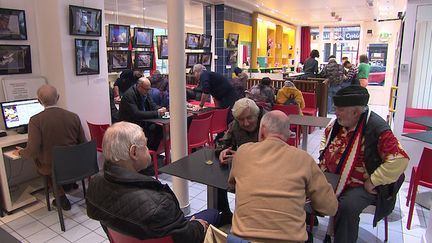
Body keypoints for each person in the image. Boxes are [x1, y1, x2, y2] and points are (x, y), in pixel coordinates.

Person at [86, 122, 220, 243]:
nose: (147, 149)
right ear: (133, 152)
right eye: (144, 146)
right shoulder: (159, 204)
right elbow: (187, 237)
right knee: (213, 213)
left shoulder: (95, 184)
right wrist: (197, 225)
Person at [228, 110, 338, 242]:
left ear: (262, 131)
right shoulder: (304, 159)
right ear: (287, 135)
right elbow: (329, 207)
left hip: (242, 240)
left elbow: (232, 184)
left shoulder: (243, 152)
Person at [319, 85, 409, 243]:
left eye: (340, 109)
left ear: (356, 112)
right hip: (334, 176)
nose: (336, 112)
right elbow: (324, 139)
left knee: (346, 206)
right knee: (302, 185)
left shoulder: (377, 128)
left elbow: (400, 159)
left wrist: (373, 181)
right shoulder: (338, 123)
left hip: (361, 184)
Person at [16, 84, 86, 210]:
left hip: (54, 168)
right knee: (56, 161)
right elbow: (83, 143)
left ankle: (60, 195)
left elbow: (32, 151)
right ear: (58, 97)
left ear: (39, 101)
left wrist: (21, 153)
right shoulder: (73, 116)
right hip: (76, 165)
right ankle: (68, 184)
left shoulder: (35, 120)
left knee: (42, 162)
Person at [214, 98, 265, 225]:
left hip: (264, 173)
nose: (246, 123)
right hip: (243, 171)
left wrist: (243, 156)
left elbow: (274, 153)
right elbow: (222, 142)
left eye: (249, 118)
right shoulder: (235, 124)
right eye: (241, 119)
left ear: (257, 115)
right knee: (217, 181)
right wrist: (222, 150)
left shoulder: (267, 124)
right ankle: (225, 214)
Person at [118, 77, 166, 151]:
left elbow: (152, 105)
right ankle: (145, 153)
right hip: (131, 126)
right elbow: (136, 114)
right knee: (149, 134)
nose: (148, 91)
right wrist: (157, 113)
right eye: (146, 89)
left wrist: (160, 109)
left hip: (142, 123)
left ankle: (152, 153)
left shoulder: (145, 92)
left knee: (160, 129)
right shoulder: (129, 95)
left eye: (149, 89)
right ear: (139, 87)